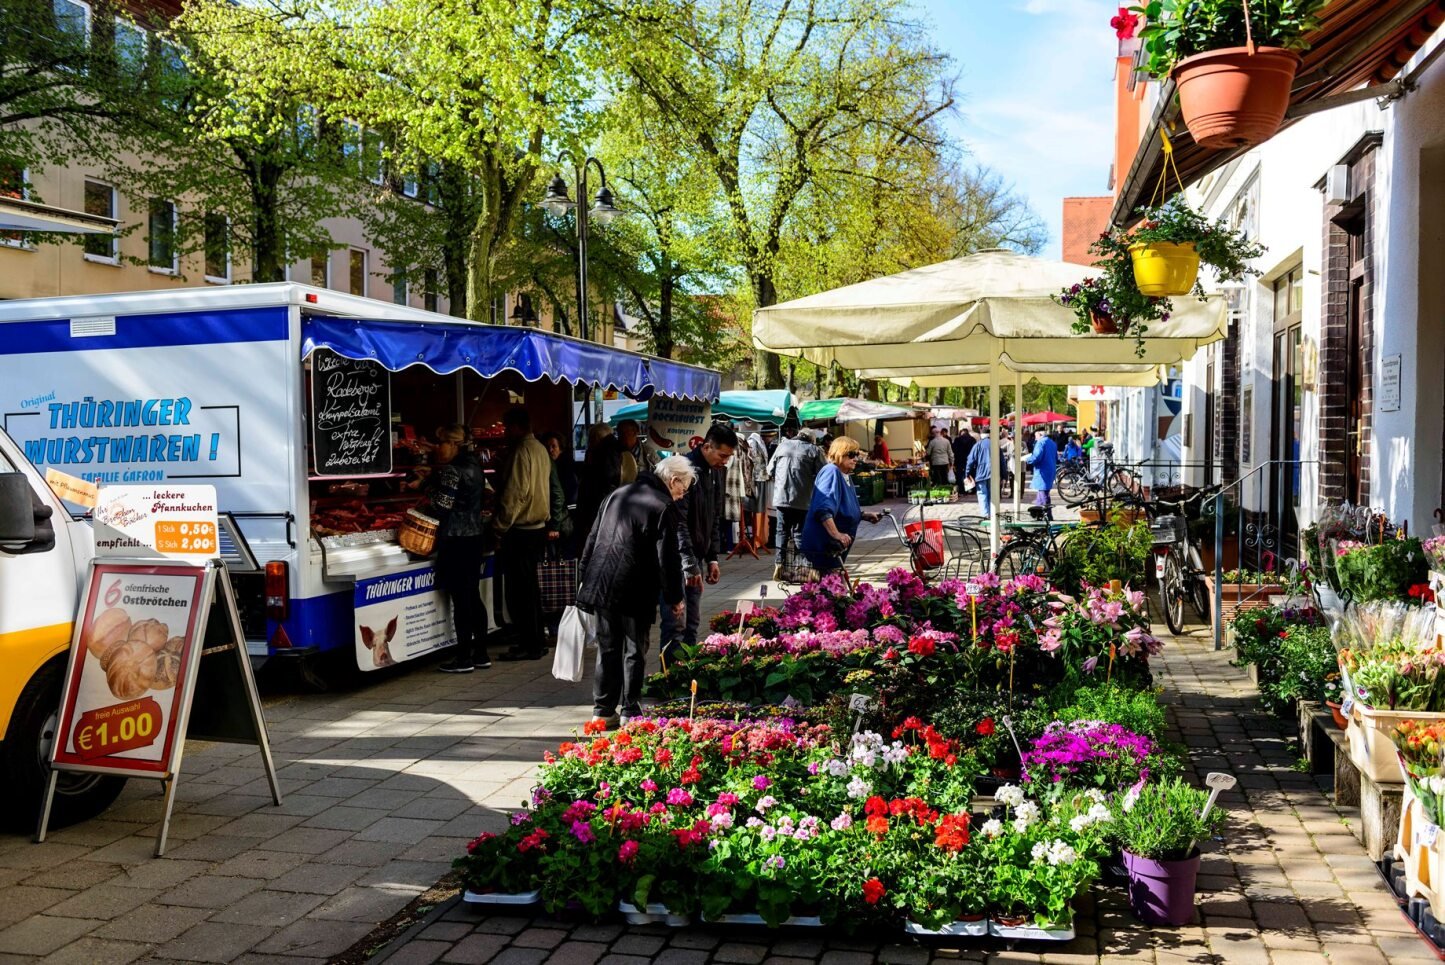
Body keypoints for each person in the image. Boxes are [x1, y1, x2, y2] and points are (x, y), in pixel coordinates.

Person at [578, 455, 694, 728]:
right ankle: (630, 709)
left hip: (602, 582)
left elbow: (592, 538)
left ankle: (602, 710)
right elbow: (668, 558)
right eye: (683, 488)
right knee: (634, 648)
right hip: (635, 586)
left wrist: (584, 576)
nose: (681, 495)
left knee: (607, 647)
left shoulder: (617, 494)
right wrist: (675, 598)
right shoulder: (663, 505)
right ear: (673, 480)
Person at [415, 425, 490, 673]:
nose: (439, 449)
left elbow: (441, 506)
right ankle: (481, 653)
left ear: (454, 444)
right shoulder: (476, 467)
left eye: (442, 444)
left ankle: (463, 658)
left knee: (461, 598)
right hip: (475, 536)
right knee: (473, 596)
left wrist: (426, 485)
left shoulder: (452, 470)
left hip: (456, 539)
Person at [660, 423, 737, 664]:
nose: (725, 461)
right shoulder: (686, 470)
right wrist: (689, 563)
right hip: (679, 560)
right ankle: (671, 677)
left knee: (692, 623)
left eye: (728, 457)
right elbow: (678, 523)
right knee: (676, 623)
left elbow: (714, 516)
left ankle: (688, 673)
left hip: (697, 558)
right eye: (722, 455)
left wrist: (712, 557)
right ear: (706, 447)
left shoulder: (715, 471)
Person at [493, 407, 552, 661]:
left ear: (517, 427)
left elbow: (516, 493)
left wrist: (499, 526)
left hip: (522, 530)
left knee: (521, 591)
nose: (506, 433)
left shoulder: (522, 451)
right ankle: (535, 640)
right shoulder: (540, 449)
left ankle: (530, 644)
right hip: (537, 527)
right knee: (530, 589)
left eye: (508, 428)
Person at [802, 438, 882, 573]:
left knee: (835, 587)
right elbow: (823, 509)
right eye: (851, 455)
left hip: (835, 549)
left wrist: (863, 515)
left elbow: (842, 507)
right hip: (825, 546)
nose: (856, 458)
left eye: (857, 454)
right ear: (840, 453)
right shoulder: (831, 471)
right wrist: (837, 534)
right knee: (830, 588)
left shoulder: (845, 475)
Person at [767, 426, 824, 550]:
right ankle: (802, 562)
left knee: (781, 530)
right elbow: (823, 473)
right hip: (802, 498)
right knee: (799, 530)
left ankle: (779, 562)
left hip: (781, 497)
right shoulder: (814, 450)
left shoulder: (782, 446)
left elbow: (769, 470)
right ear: (811, 440)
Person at [575, 423, 621, 544]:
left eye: (590, 439)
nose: (589, 443)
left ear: (596, 438)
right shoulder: (610, 450)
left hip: (598, 509)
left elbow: (605, 480)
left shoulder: (605, 452)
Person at [747, 431, 773, 551]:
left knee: (760, 509)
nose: (771, 439)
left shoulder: (759, 442)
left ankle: (759, 539)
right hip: (756, 479)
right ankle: (756, 539)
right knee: (756, 508)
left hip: (760, 478)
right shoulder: (753, 442)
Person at [1023, 427, 1060, 508]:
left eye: (1035, 435)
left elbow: (1036, 457)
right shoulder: (1052, 443)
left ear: (1040, 434)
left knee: (1043, 495)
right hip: (1051, 470)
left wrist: (1027, 459)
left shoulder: (1040, 443)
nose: (1035, 438)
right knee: (1044, 494)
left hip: (1042, 471)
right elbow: (1056, 458)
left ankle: (1045, 515)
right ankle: (1041, 514)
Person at [540, 431, 578, 506]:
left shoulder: (567, 467)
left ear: (561, 449)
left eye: (554, 446)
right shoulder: (546, 464)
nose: (550, 450)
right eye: (547, 447)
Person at [964, 432, 993, 518]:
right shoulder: (995, 444)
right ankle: (991, 513)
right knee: (992, 494)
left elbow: (970, 460)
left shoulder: (978, 445)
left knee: (982, 493)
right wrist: (1004, 475)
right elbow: (1002, 460)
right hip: (994, 473)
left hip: (981, 473)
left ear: (981, 436)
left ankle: (985, 514)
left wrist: (967, 473)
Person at [952, 428, 976, 498]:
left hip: (959, 460)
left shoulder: (957, 440)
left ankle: (962, 490)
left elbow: (954, 450)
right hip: (970, 460)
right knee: (970, 474)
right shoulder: (972, 440)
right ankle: (972, 489)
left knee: (960, 476)